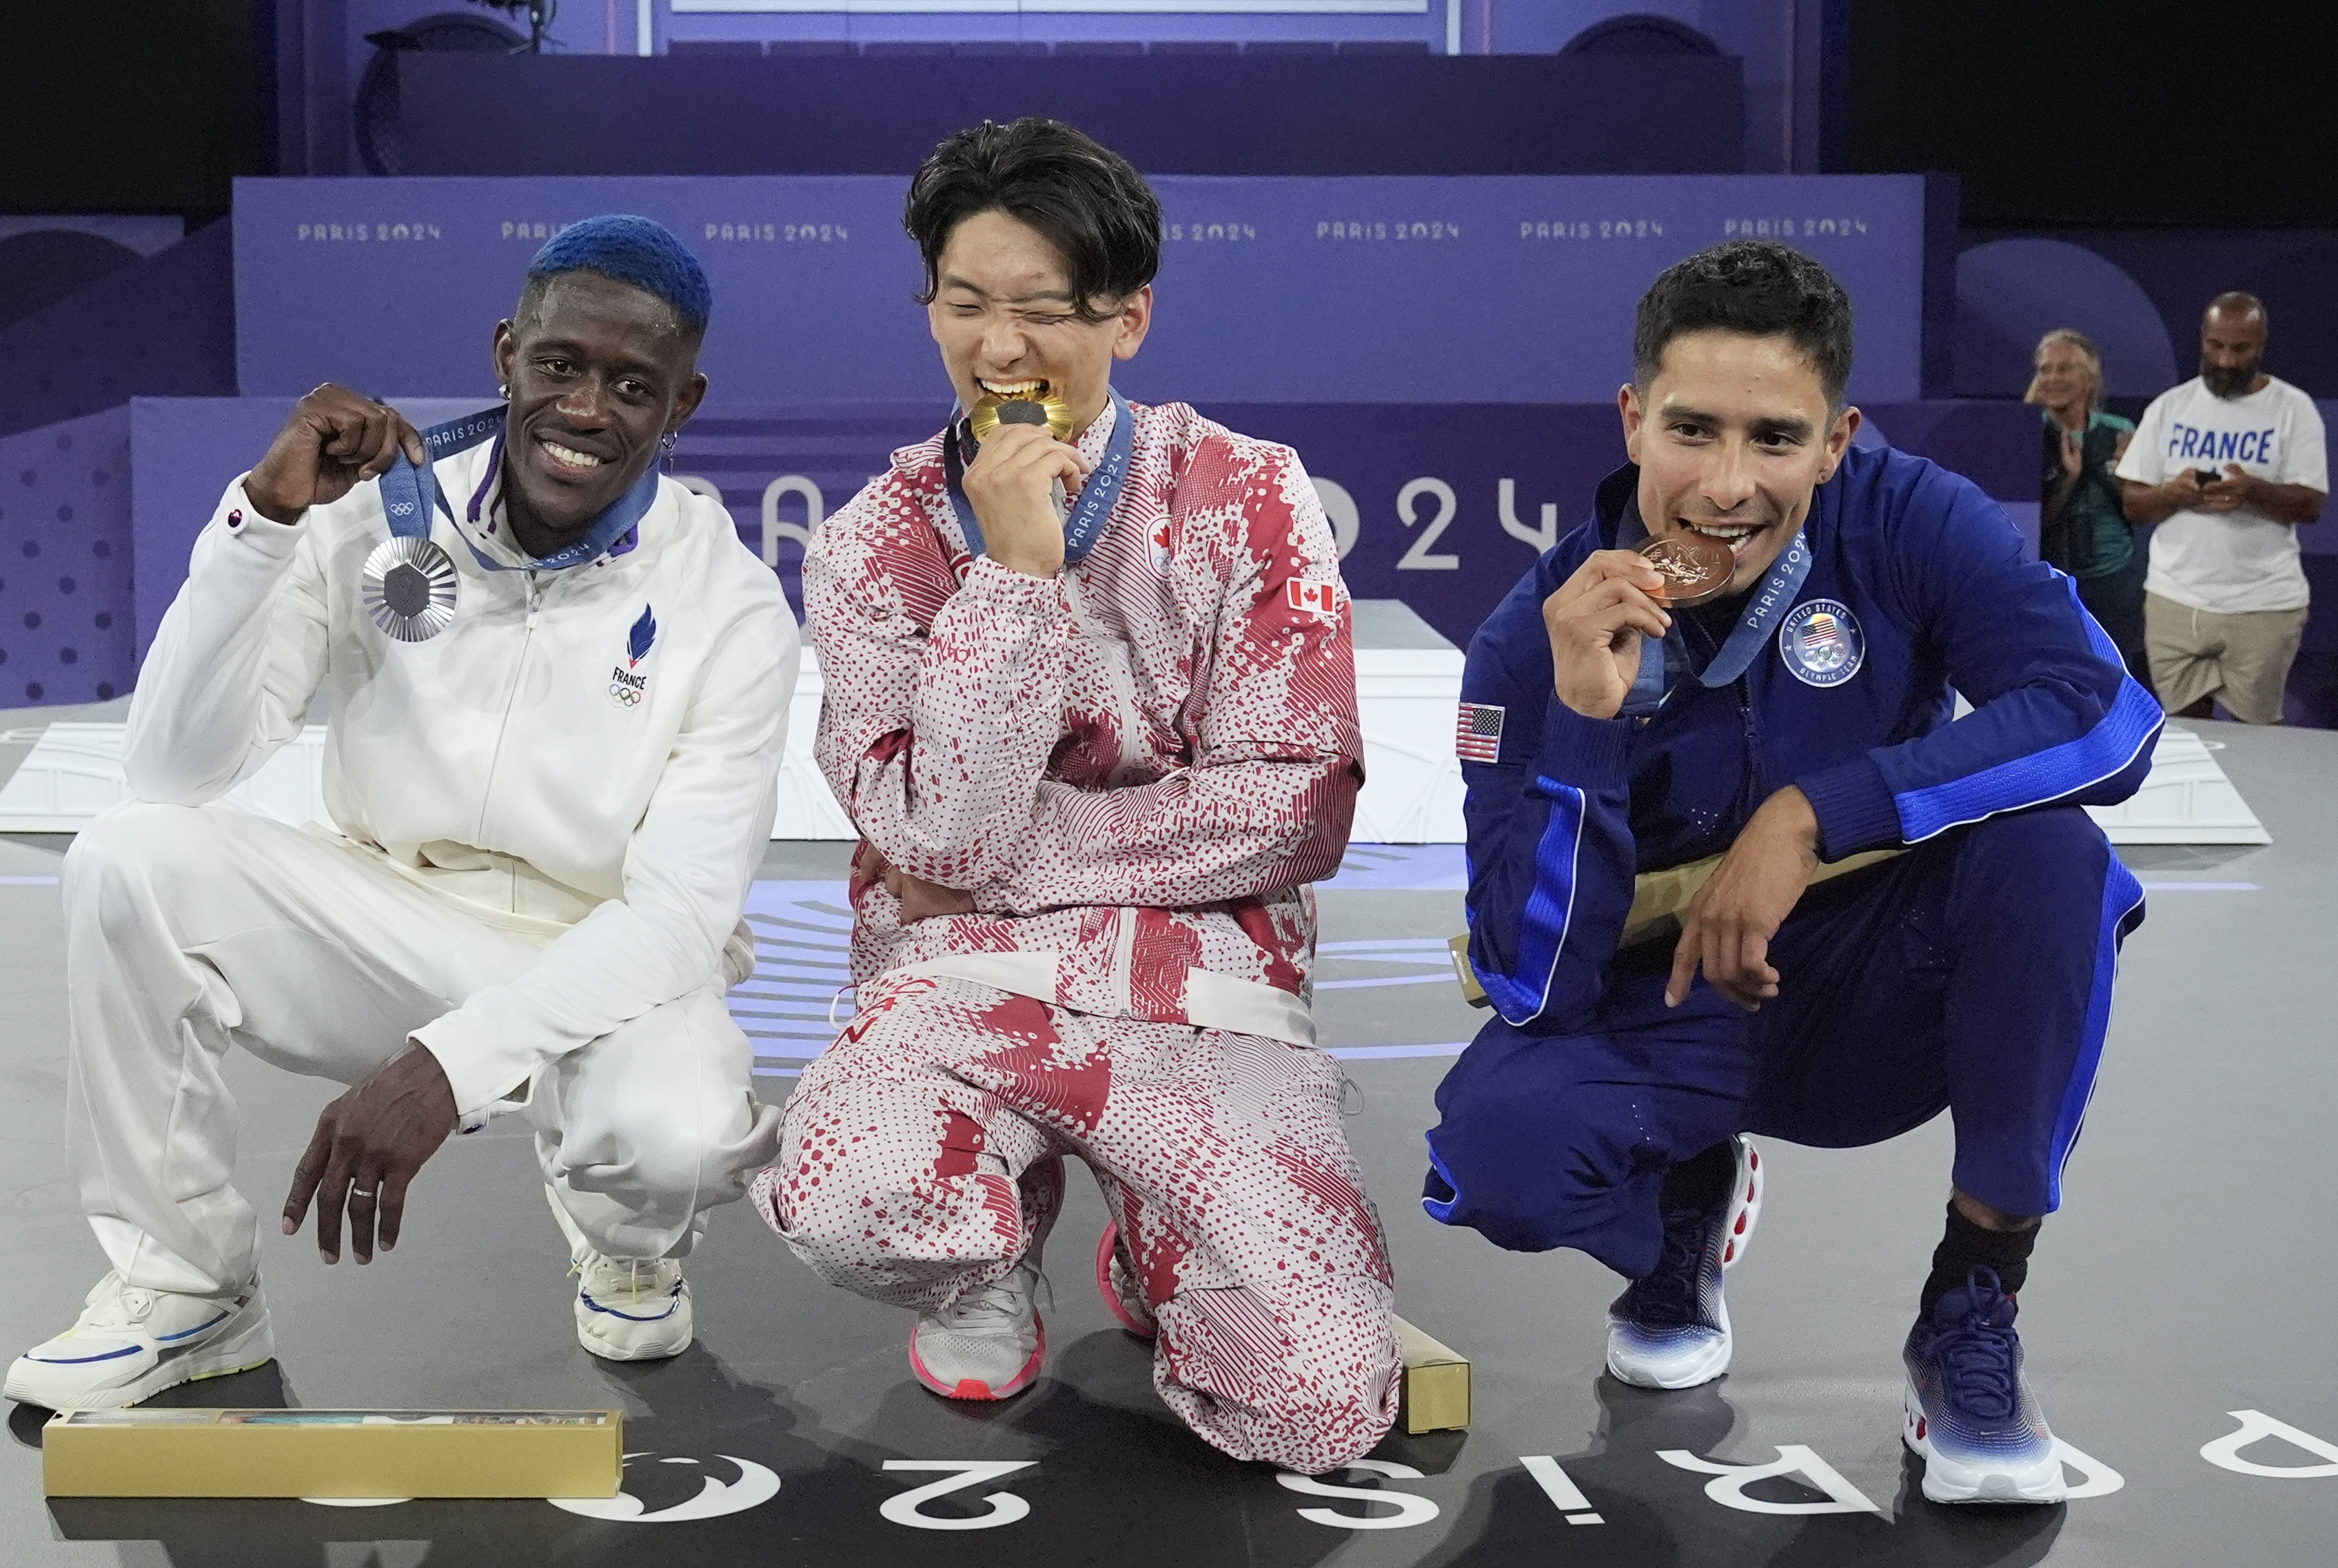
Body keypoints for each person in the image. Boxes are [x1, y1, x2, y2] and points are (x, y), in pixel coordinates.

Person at [6, 216, 796, 1412]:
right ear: (504, 355)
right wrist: (262, 524)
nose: (587, 410)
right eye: (560, 366)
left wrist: (448, 1066)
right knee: (127, 859)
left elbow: (679, 922)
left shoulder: (729, 608)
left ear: (681, 406)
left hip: (604, 958)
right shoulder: (370, 513)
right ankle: (187, 1287)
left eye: (633, 386)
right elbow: (172, 768)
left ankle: (624, 1231)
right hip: (383, 915)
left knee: (675, 1126)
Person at [1421, 240, 2162, 1505]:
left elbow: (2105, 719)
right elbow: (1524, 978)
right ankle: (1678, 1199)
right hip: (1667, 1013)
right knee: (1498, 1150)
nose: (1725, 485)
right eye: (1691, 431)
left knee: (2054, 855)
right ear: (1630, 420)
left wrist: (1816, 811)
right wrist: (1584, 726)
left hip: (1877, 987)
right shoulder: (1530, 637)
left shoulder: (1906, 515)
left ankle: (1970, 1304)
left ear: (1836, 439)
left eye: (1774, 440)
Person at [754, 118, 1394, 1474]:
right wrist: (1015, 568)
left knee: (1323, 1408)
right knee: (845, 1193)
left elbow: (1295, 805)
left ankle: (1160, 1240)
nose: (1000, 350)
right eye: (966, 303)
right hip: (957, 994)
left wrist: (1007, 865)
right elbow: (929, 834)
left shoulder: (1248, 494)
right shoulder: (871, 546)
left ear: (1129, 316)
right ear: (926, 302)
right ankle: (982, 1255)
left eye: (1043, 311)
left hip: (1196, 997)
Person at [2116, 292, 2328, 723]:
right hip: (2175, 600)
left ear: (2261, 344)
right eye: (2216, 346)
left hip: (2263, 604)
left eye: (2240, 348)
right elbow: (2134, 505)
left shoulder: (2293, 409)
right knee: (2183, 737)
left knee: (2259, 744)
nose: (2226, 361)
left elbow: (2311, 505)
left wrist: (2251, 490)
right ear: (2202, 340)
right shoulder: (2169, 408)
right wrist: (2174, 495)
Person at [2028, 329, 2145, 675]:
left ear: (2090, 378)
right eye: (2045, 370)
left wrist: (2126, 476)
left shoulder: (2120, 432)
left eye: (2064, 369)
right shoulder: (2026, 433)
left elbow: (2137, 511)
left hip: (2114, 581)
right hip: (2053, 580)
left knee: (2114, 677)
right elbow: (2028, 523)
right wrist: (2070, 479)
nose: (2053, 378)